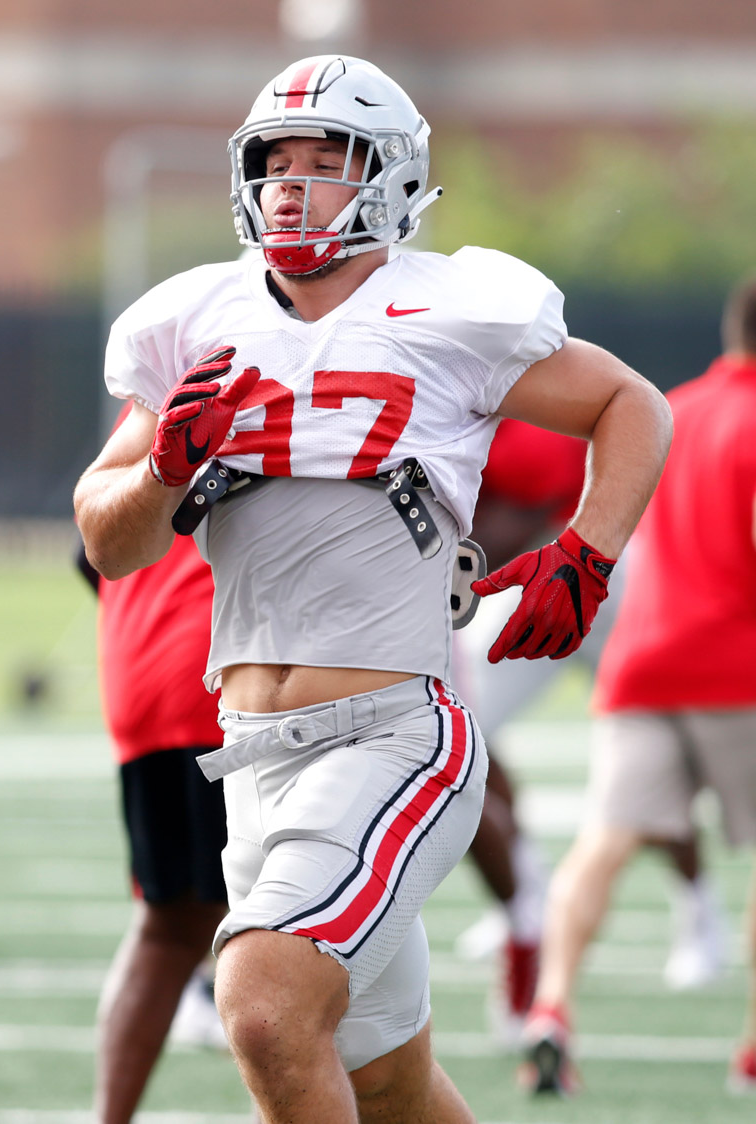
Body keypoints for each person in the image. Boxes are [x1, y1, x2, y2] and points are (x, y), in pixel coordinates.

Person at [73, 54, 672, 1124]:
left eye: (325, 163)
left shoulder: (449, 307)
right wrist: (167, 463)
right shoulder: (198, 321)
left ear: (389, 178)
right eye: (275, 163)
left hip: (390, 734)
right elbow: (107, 539)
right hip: (249, 756)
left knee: (260, 1004)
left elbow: (630, 402)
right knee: (387, 1082)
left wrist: (588, 548)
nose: (292, 186)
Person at [518, 274, 756, 1097]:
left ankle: (550, 1008)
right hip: (738, 667)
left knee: (603, 843)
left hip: (643, 654)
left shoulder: (670, 406)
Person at [452, 422, 727, 1050]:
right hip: (522, 577)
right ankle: (527, 891)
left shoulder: (537, 399)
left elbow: (513, 524)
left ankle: (698, 907)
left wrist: (430, 563)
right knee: (460, 721)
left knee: (656, 749)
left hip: (591, 568)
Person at [76, 440, 230, 1124]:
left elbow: (88, 547)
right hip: (228, 678)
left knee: (168, 928)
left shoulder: (161, 378)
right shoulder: (291, 357)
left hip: (138, 667)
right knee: (303, 938)